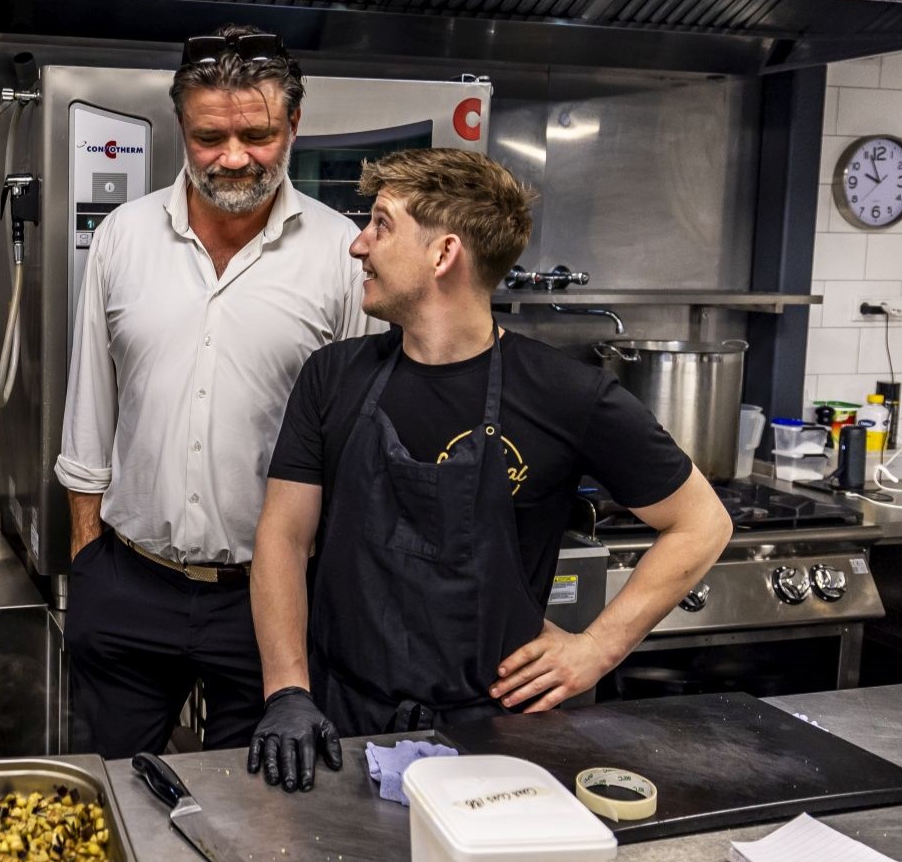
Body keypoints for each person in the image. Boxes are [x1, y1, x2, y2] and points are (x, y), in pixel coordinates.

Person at [246, 149, 732, 791]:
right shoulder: (333, 377)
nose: (359, 245)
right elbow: (283, 537)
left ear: (444, 254)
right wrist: (287, 691)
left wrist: (597, 647)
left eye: (382, 225)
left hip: (500, 738)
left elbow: (702, 523)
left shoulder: (566, 393)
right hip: (343, 725)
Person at [56, 25, 381, 759]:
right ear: (181, 127)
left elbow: (355, 450)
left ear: (294, 124)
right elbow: (89, 415)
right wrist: (88, 561)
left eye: (257, 134)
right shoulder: (123, 238)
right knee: (119, 793)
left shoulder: (341, 252)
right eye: (209, 136)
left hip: (267, 604)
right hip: (130, 584)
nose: (233, 157)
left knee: (260, 816)